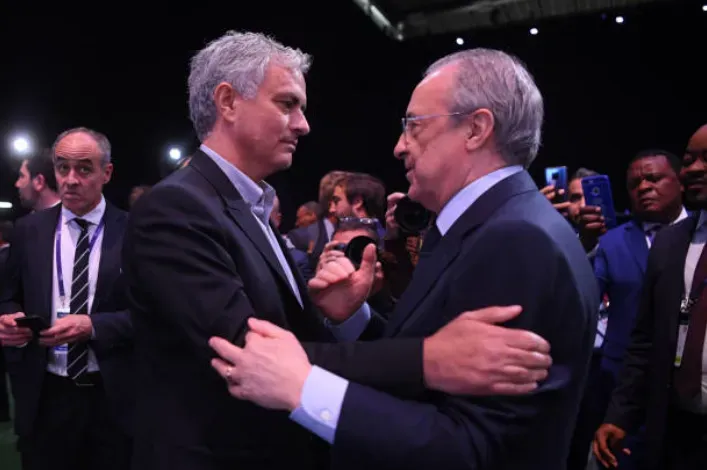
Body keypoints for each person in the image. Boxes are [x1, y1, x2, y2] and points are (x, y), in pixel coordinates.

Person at [123, 32, 553, 470]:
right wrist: (429, 359)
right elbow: (249, 356)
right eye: (287, 104)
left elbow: (289, 352)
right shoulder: (175, 209)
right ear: (228, 102)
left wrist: (339, 319)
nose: (303, 125)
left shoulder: (243, 204)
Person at [209, 48, 599, 469]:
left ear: (476, 129)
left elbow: (473, 449)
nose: (399, 147)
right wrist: (352, 319)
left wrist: (305, 389)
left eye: (414, 126)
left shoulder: (516, 240)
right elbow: (435, 363)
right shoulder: (491, 225)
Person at [0, 127, 134, 470]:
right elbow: (8, 296)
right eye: (63, 168)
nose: (71, 179)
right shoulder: (29, 230)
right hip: (45, 394)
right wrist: (9, 320)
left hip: (110, 395)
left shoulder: (134, 230)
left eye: (84, 169)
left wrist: (95, 327)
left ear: (107, 173)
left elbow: (154, 312)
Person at [594, 124, 707, 470]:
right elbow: (644, 341)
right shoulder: (672, 243)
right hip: (675, 424)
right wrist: (620, 414)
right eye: (689, 159)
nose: (695, 168)